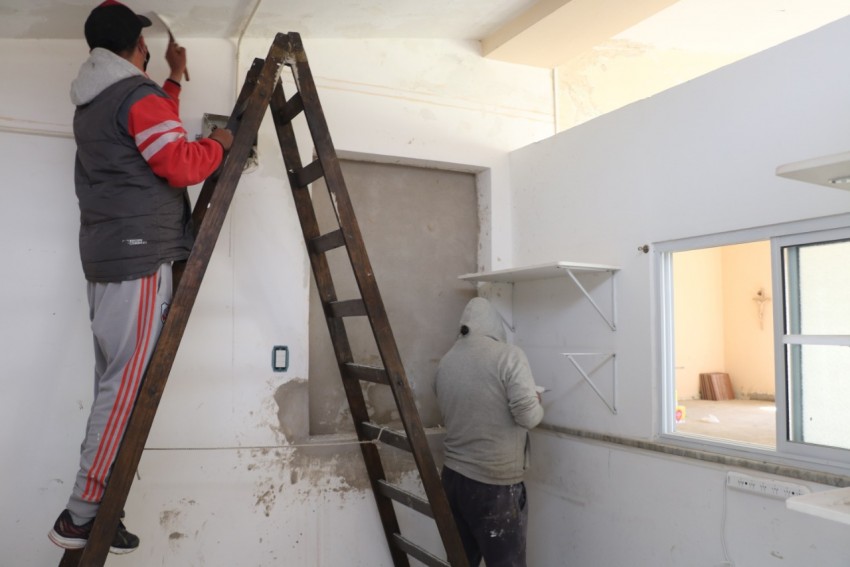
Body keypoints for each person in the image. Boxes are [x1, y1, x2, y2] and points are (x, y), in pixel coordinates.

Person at [48, 0, 233, 554]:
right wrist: (220, 144)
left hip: (107, 260)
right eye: (144, 44)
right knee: (124, 389)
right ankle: (81, 513)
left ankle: (103, 504)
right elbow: (178, 163)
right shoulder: (137, 97)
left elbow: (151, 130)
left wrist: (173, 80)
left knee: (113, 384)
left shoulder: (95, 101)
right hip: (140, 257)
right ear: (137, 46)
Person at [435, 297, 544, 567]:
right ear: (495, 326)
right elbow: (528, 417)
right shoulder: (509, 355)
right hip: (494, 484)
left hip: (452, 479)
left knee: (461, 561)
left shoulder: (446, 361)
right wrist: (536, 402)